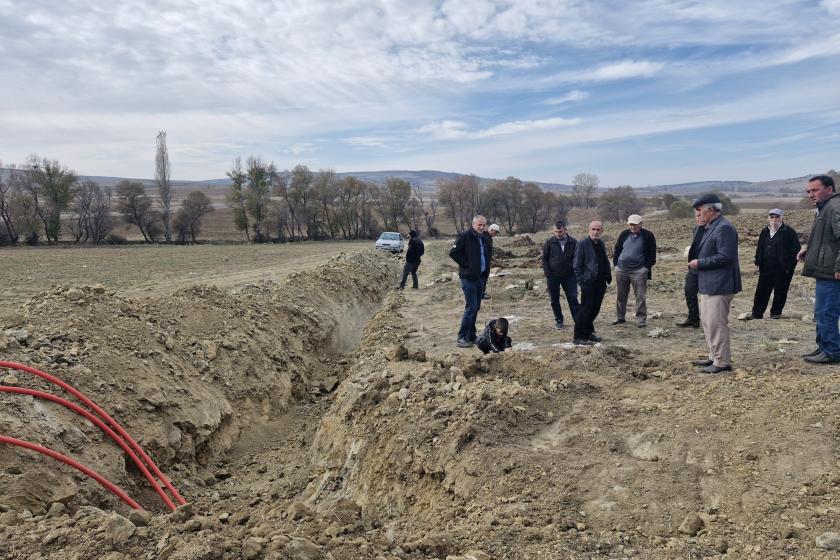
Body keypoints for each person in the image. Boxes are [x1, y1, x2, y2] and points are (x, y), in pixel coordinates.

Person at [688, 194, 741, 374]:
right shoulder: (710, 227)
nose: (698, 214)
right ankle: (714, 356)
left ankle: (722, 361)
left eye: (700, 210)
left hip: (720, 284)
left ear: (711, 210)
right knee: (708, 322)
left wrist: (699, 263)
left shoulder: (724, 228)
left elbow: (725, 256)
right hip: (708, 283)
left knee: (717, 323)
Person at [798, 175, 840, 364]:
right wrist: (809, 251)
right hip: (825, 268)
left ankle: (832, 351)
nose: (810, 194)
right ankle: (823, 347)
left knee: (826, 311)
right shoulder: (824, 208)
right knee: (821, 311)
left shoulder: (834, 207)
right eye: (808, 191)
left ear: (829, 190)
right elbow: (827, 239)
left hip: (832, 271)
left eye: (814, 190)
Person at [747, 209, 800, 319]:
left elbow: (796, 250)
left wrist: (789, 265)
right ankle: (757, 313)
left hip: (783, 267)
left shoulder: (789, 232)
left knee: (780, 290)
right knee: (761, 290)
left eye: (777, 217)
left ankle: (776, 313)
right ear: (768, 218)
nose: (774, 219)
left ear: (782, 218)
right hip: (766, 266)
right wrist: (758, 260)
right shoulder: (765, 231)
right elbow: (760, 246)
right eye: (772, 217)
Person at [450, 215, 491, 348]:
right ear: (473, 224)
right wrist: (466, 265)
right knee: (471, 307)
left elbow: (484, 256)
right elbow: (453, 252)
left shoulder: (483, 238)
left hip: (480, 278)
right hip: (468, 278)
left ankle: (471, 335)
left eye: (484, 225)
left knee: (476, 307)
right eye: (479, 224)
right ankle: (461, 337)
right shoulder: (465, 236)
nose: (481, 227)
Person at [612, 214, 657, 328]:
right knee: (621, 295)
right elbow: (617, 249)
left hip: (638, 271)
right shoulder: (624, 234)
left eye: (635, 225)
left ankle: (641, 320)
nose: (633, 227)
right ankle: (620, 318)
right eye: (631, 224)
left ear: (641, 224)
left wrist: (645, 268)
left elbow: (652, 254)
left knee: (640, 297)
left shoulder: (648, 235)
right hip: (621, 270)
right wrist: (616, 265)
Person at [573, 221, 611, 345]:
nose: (595, 232)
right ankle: (578, 337)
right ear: (589, 230)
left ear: (601, 231)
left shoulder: (601, 243)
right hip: (588, 283)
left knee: (595, 309)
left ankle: (588, 333)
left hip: (600, 282)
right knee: (585, 309)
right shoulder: (582, 244)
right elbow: (577, 266)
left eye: (598, 229)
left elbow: (604, 260)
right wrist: (582, 281)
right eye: (593, 229)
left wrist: (608, 275)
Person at [541, 220, 579, 330]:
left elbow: (577, 257)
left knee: (572, 298)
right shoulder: (549, 242)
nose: (558, 234)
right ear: (553, 231)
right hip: (553, 276)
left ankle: (578, 320)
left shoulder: (573, 242)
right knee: (554, 300)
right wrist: (548, 273)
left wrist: (575, 271)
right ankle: (559, 320)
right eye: (556, 231)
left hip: (570, 276)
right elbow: (544, 258)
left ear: (565, 230)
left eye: (560, 231)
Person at [676, 216, 706, 328]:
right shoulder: (696, 228)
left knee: (708, 297)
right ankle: (693, 319)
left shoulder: (713, 230)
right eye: (698, 216)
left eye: (702, 215)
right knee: (689, 292)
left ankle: (710, 323)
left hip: (708, 267)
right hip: (694, 267)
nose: (700, 218)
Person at [481, 224, 501, 299]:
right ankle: (481, 294)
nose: (495, 234)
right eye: (495, 232)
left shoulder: (488, 237)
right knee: (482, 278)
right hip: (483, 262)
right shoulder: (484, 237)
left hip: (486, 261)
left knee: (484, 278)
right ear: (491, 230)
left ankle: (482, 292)